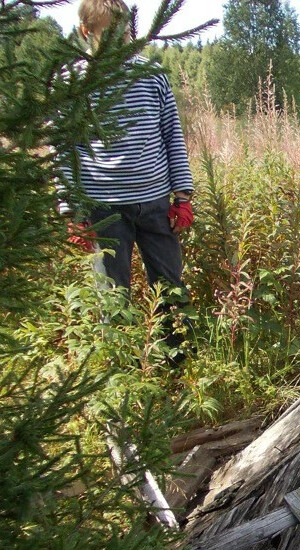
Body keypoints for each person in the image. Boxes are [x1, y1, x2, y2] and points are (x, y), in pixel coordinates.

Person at [61, 0, 195, 354]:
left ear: (131, 31)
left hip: (154, 205)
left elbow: (172, 137)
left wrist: (183, 197)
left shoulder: (152, 76)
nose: (118, 42)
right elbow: (64, 148)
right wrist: (70, 212)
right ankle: (123, 368)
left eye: (123, 34)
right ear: (86, 32)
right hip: (102, 209)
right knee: (113, 294)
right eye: (109, 35)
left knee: (170, 284)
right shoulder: (73, 81)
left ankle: (178, 359)